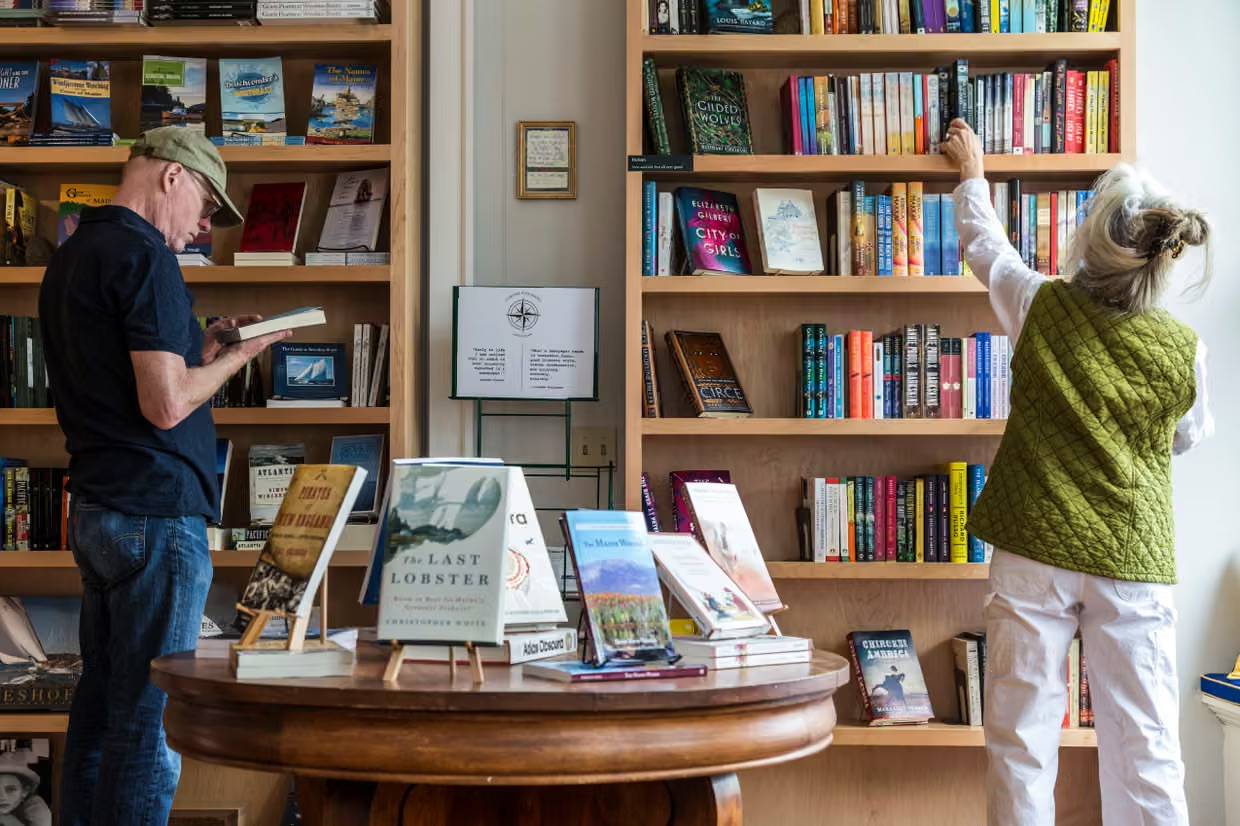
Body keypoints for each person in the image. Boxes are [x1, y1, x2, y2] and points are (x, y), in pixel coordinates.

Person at [940, 119, 1212, 826]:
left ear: (1093, 241)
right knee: (1147, 748)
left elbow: (984, 248)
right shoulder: (1185, 350)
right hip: (1133, 557)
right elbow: (1187, 437)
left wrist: (972, 171)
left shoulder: (1040, 306)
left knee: (1021, 742)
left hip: (1034, 549)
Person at [39, 128, 290, 825]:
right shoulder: (146, 257)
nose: (206, 226)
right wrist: (245, 357)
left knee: (100, 714)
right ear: (172, 177)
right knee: (150, 723)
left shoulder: (74, 256)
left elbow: (130, 379)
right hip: (154, 514)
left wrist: (199, 346)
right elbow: (168, 402)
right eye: (208, 205)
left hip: (98, 510)